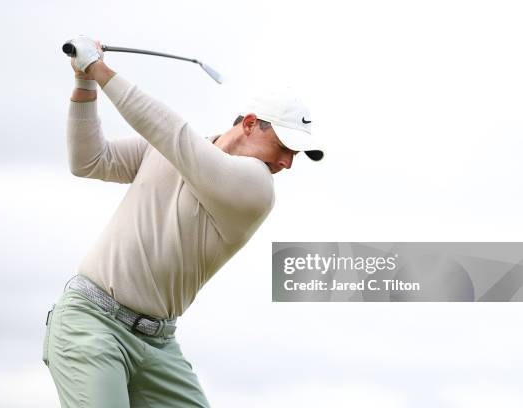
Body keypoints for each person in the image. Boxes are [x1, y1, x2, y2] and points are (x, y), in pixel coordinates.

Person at [42, 36, 324, 408]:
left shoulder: (255, 188)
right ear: (252, 123)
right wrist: (84, 82)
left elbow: (170, 133)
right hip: (91, 322)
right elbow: (89, 160)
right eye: (284, 148)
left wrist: (99, 67)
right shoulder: (180, 151)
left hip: (159, 345)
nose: (287, 163)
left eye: (296, 155)